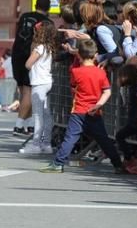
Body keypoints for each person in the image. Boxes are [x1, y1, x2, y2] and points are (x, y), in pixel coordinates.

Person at [41, 39, 124, 173]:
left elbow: (74, 87)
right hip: (95, 111)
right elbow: (107, 91)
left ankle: (58, 163)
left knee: (70, 138)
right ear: (95, 55)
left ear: (78, 54)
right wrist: (98, 104)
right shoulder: (101, 72)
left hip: (79, 110)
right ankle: (118, 165)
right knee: (104, 140)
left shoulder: (76, 72)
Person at [11, 0, 52, 137]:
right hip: (32, 55)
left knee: (23, 91)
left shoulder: (24, 16)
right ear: (49, 8)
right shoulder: (47, 22)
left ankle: (27, 124)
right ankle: (19, 125)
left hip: (17, 55)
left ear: (35, 5)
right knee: (29, 92)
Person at [19, 20, 60, 155]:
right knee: (47, 114)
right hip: (48, 81)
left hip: (39, 83)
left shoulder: (39, 48)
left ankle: (36, 144)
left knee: (38, 115)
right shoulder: (50, 47)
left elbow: (28, 64)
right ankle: (46, 143)